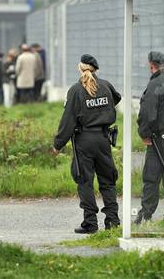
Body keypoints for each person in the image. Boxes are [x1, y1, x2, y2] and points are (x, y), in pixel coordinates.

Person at [53, 54, 121, 234]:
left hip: (84, 141)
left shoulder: (75, 91)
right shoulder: (105, 86)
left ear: (80, 68)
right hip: (103, 139)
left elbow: (68, 120)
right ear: (95, 70)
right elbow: (117, 98)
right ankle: (113, 221)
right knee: (108, 180)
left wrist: (58, 144)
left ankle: (90, 223)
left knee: (85, 181)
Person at [134, 51, 164, 224]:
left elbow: (147, 113)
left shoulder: (155, 85)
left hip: (161, 137)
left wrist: (144, 134)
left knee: (151, 176)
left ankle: (145, 215)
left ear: (151, 66)